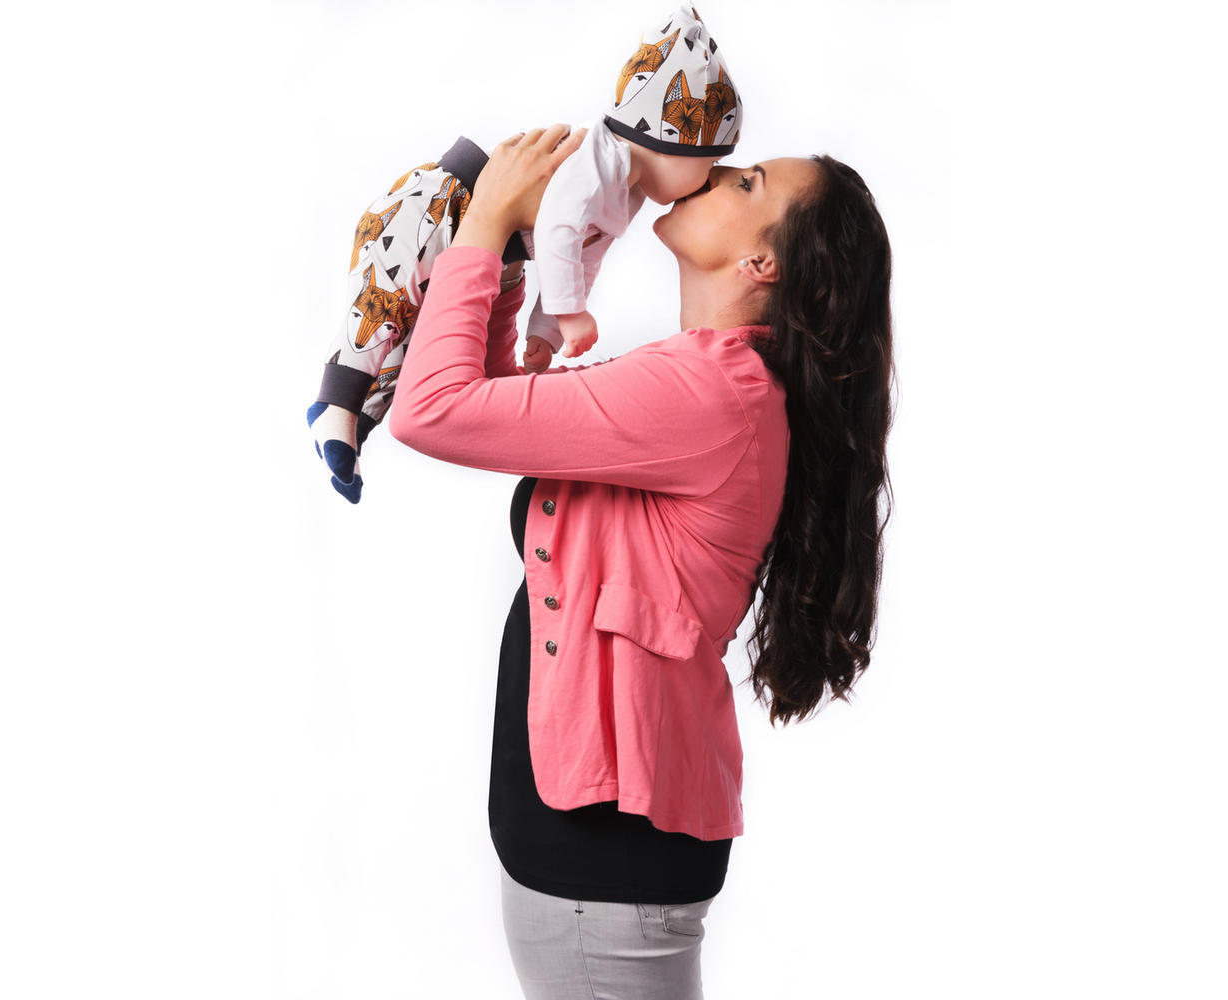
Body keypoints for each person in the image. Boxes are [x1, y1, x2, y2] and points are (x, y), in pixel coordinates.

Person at [387, 124, 895, 999]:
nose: (717, 171)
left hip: (602, 865)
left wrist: (486, 223)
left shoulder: (709, 392)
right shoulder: (705, 379)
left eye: (748, 183)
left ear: (763, 264)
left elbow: (431, 409)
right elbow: (494, 405)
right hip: (590, 854)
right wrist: (509, 258)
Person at [306, 4, 743, 504]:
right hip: (438, 205)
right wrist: (568, 312)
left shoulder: (629, 192)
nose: (709, 177)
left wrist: (546, 331)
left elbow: (583, 260)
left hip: (482, 240)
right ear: (672, 146)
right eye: (710, 161)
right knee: (384, 308)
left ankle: (354, 428)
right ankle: (334, 406)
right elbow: (558, 231)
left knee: (412, 341)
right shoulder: (599, 161)